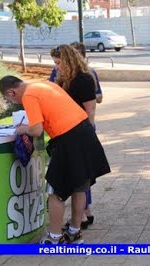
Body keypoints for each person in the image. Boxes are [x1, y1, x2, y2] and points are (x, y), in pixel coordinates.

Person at [0, 76, 110, 244]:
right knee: (80, 185)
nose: (13, 103)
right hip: (85, 130)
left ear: (11, 92)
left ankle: (54, 237)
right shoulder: (42, 83)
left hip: (68, 138)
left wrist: (22, 129)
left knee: (55, 190)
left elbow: (36, 130)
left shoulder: (28, 95)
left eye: (9, 99)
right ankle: (74, 232)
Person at [50, 44, 98, 229]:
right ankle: (75, 224)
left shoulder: (84, 79)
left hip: (78, 137)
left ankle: (76, 224)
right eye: (54, 63)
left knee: (78, 184)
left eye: (59, 63)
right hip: (63, 136)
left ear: (69, 61)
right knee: (76, 184)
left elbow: (90, 111)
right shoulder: (63, 80)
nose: (56, 67)